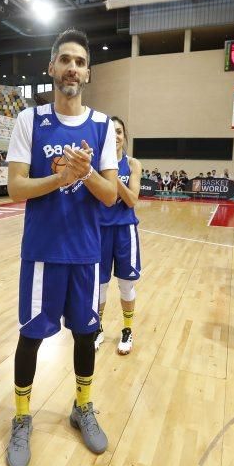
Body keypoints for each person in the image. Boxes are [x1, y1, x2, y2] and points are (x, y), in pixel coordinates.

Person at [4, 28, 118, 466]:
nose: (73, 68)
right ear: (51, 68)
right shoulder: (29, 121)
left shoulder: (104, 125)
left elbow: (110, 195)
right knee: (30, 336)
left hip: (86, 252)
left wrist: (86, 173)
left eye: (80, 61)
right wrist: (61, 177)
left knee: (86, 334)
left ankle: (82, 406)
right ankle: (20, 417)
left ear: (88, 73)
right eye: (65, 60)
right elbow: (16, 188)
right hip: (42, 251)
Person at [96, 116, 141, 355]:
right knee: (100, 286)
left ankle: (127, 329)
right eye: (111, 132)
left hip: (125, 230)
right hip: (100, 230)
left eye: (120, 132)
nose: (115, 136)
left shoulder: (133, 164)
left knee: (126, 285)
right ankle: (98, 328)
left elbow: (132, 199)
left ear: (124, 136)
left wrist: (112, 176)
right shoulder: (96, 165)